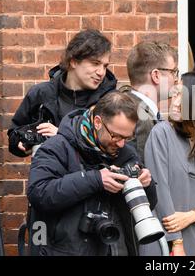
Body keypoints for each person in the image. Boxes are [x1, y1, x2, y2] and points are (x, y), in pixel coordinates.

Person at [26, 91, 157, 256]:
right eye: (116, 136)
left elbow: (149, 204)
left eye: (127, 137)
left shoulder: (126, 153)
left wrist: (147, 184)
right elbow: (39, 193)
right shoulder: (58, 147)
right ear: (97, 122)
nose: (122, 144)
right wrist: (96, 179)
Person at [144, 72, 195, 256]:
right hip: (163, 242)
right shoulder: (161, 134)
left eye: (182, 96)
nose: (174, 102)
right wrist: (177, 241)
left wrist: (192, 216)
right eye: (175, 94)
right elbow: (160, 190)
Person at [8, 29, 117, 157]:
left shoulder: (110, 100)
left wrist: (62, 135)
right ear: (74, 61)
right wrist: (20, 141)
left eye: (105, 66)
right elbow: (14, 132)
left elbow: (117, 146)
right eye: (95, 64)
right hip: (48, 173)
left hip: (95, 175)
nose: (101, 72)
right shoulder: (41, 93)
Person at [120, 41, 178, 162]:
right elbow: (147, 171)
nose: (176, 79)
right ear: (156, 75)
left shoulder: (129, 106)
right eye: (173, 72)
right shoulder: (141, 118)